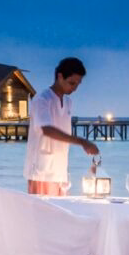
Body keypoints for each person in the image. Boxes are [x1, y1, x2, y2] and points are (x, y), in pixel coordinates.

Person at [24, 56, 99, 195]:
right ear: (60, 76)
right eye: (71, 83)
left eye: (78, 84)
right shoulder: (42, 99)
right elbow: (46, 129)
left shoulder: (68, 102)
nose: (75, 88)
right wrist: (81, 141)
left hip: (60, 172)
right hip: (41, 171)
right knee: (42, 216)